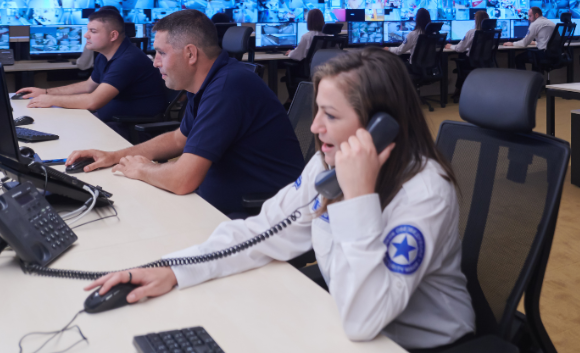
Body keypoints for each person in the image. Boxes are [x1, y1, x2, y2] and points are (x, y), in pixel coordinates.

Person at [86, 49, 476, 350]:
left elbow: (364, 320)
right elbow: (262, 231)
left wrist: (357, 198)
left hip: (416, 344)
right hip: (342, 321)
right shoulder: (327, 165)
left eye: (330, 115)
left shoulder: (424, 193)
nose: (314, 127)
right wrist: (174, 269)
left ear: (380, 126)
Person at [65, 10, 305, 217]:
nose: (155, 62)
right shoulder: (207, 82)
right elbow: (180, 138)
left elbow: (182, 179)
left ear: (190, 54)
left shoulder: (227, 87)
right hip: (216, 204)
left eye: (162, 53)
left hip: (255, 215)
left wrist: (143, 169)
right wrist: (114, 156)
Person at [18, 9, 168, 139]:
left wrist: (50, 99)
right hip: (111, 122)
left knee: (63, 133)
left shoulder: (127, 60)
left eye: (93, 31)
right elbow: (88, 86)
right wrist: (45, 92)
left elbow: (92, 101)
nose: (86, 35)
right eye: (88, 30)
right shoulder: (106, 55)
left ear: (113, 35)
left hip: (131, 129)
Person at [447, 10, 489, 100]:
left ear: (476, 20)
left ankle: (458, 92)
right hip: (485, 63)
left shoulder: (472, 32)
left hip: (471, 63)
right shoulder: (491, 33)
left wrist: (450, 46)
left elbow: (459, 48)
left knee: (461, 60)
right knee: (462, 59)